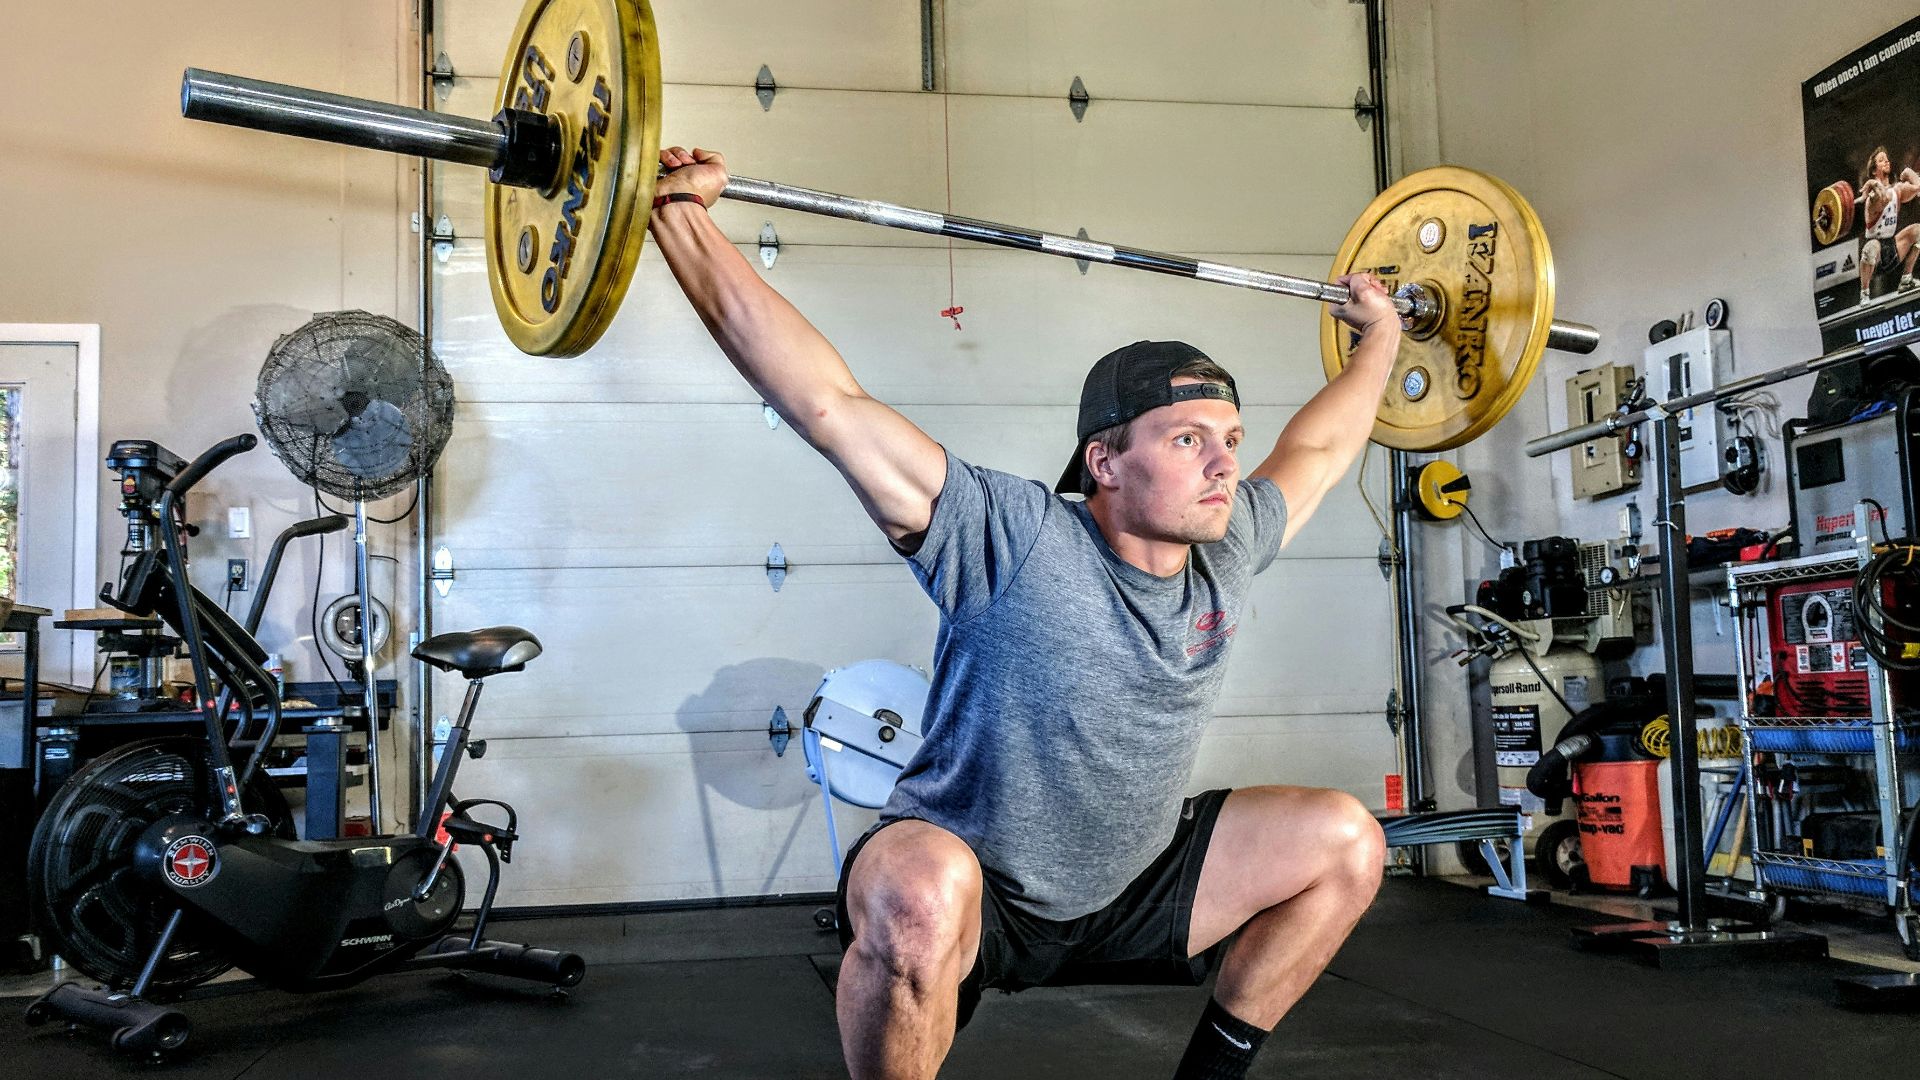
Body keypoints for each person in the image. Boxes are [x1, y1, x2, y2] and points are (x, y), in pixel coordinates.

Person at [649, 146, 1398, 1080]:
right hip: (976, 882)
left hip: (1138, 880)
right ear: (1106, 461)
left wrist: (1384, 340)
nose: (1222, 465)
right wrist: (681, 219)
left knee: (1347, 843)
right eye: (1187, 439)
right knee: (916, 896)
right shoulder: (1013, 536)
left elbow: (1322, 446)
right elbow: (827, 404)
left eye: (1231, 441)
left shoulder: (1229, 541)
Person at [1855, 146, 1920, 307]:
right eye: (1881, 160)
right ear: (1873, 170)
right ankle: (1864, 293)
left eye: (1887, 159)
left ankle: (1906, 279)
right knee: (1870, 248)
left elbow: (1918, 188)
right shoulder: (1873, 197)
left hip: (1893, 247)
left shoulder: (1897, 190)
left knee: (1919, 231)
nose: (1886, 161)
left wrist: (1908, 172)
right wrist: (1872, 185)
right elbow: (1882, 198)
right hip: (1875, 256)